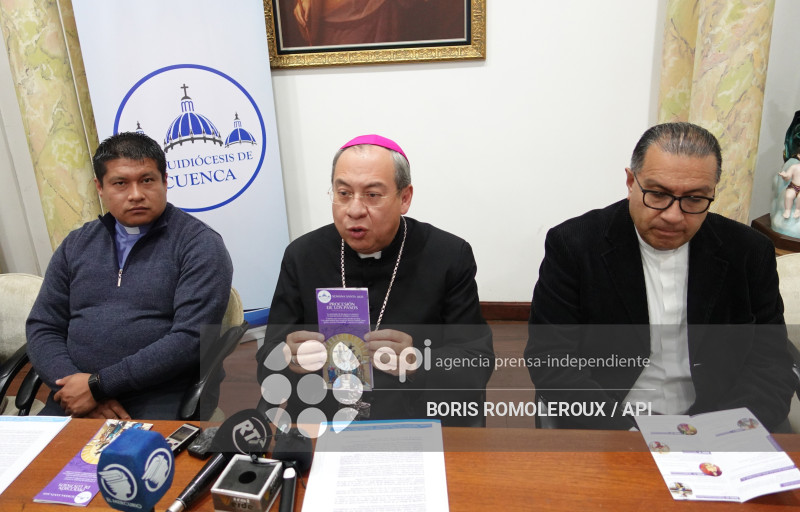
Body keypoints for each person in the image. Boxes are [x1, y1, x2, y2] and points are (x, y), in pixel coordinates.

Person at [525, 122, 796, 431]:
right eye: (657, 194)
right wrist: (625, 435)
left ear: (712, 193)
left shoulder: (748, 252)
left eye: (694, 199)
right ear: (630, 182)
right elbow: (552, 360)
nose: (673, 215)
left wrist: (726, 430)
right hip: (615, 421)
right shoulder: (574, 245)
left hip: (718, 418)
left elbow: (770, 362)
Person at [256, 134, 493, 426]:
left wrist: (418, 361)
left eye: (372, 195)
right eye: (343, 193)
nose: (354, 210)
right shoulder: (303, 255)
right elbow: (268, 358)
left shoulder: (448, 255)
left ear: (404, 198)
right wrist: (287, 356)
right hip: (326, 418)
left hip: (415, 416)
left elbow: (475, 361)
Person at [27, 132, 233, 420]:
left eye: (147, 180)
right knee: (35, 463)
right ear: (100, 187)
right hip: (73, 394)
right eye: (120, 183)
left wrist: (98, 386)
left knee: (135, 463)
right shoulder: (76, 244)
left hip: (161, 394)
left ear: (165, 180)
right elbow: (43, 326)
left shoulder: (199, 244)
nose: (136, 194)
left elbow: (190, 338)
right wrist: (72, 383)